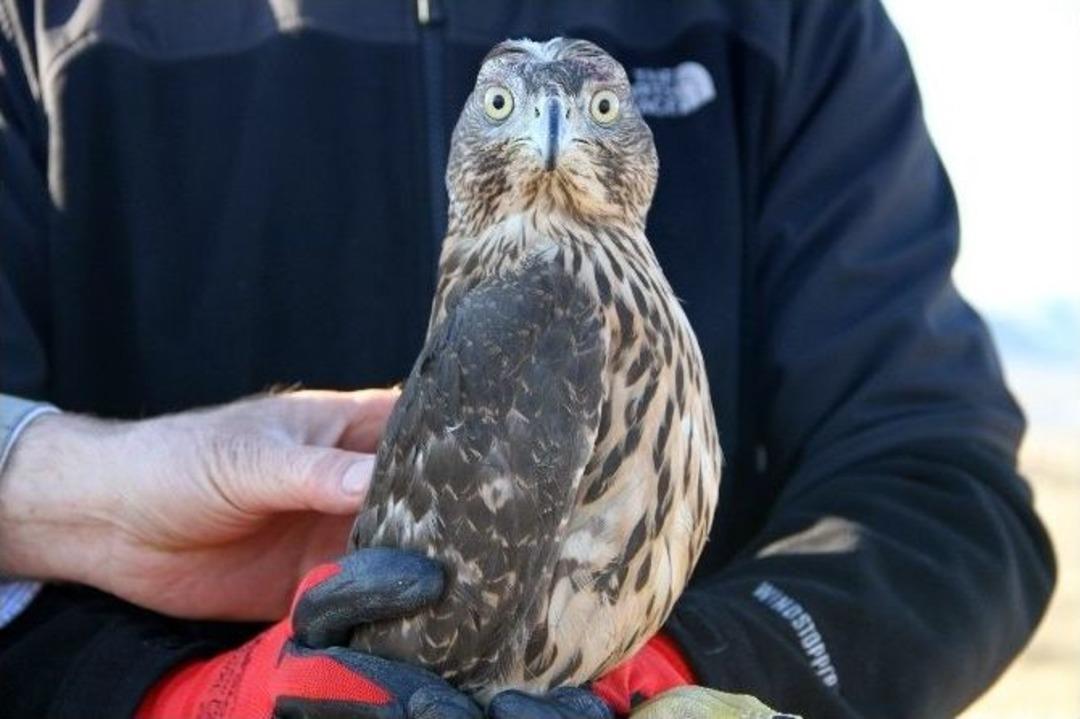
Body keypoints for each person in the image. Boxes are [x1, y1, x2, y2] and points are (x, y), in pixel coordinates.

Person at [0, 1, 1055, 717]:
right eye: (504, 109)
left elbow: (943, 491)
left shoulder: (789, 20)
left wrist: (685, 670)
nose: (549, 133)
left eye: (598, 110)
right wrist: (158, 697)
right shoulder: (43, 22)